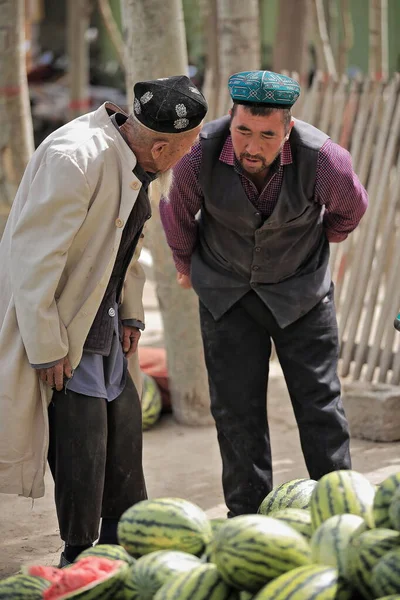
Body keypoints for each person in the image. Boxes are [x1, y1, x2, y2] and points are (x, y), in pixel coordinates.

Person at [0, 75, 207, 566]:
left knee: (123, 425)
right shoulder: (75, 158)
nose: (189, 155)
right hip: (66, 321)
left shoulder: (134, 156)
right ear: (161, 146)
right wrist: (46, 343)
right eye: (187, 147)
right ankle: (79, 553)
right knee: (82, 433)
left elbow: (124, 244)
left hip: (106, 317)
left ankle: (122, 538)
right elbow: (33, 261)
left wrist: (131, 312)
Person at [160, 70, 368, 518]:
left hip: (302, 296)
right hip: (226, 294)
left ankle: (339, 514)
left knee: (320, 406)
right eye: (243, 131)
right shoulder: (199, 154)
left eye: (267, 135)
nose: (252, 146)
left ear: (288, 129)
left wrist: (319, 242)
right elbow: (176, 212)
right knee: (236, 412)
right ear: (231, 118)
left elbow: (351, 209)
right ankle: (247, 518)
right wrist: (184, 267)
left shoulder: (326, 160)